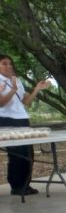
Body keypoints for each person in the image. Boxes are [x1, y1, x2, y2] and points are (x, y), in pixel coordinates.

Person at [0, 54, 51, 195]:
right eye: (4, 63)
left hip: (22, 119)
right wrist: (12, 89)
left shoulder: (16, 80)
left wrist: (36, 89)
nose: (9, 66)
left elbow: (25, 102)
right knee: (17, 153)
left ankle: (26, 184)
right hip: (6, 119)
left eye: (10, 63)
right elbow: (2, 103)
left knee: (28, 153)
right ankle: (16, 186)